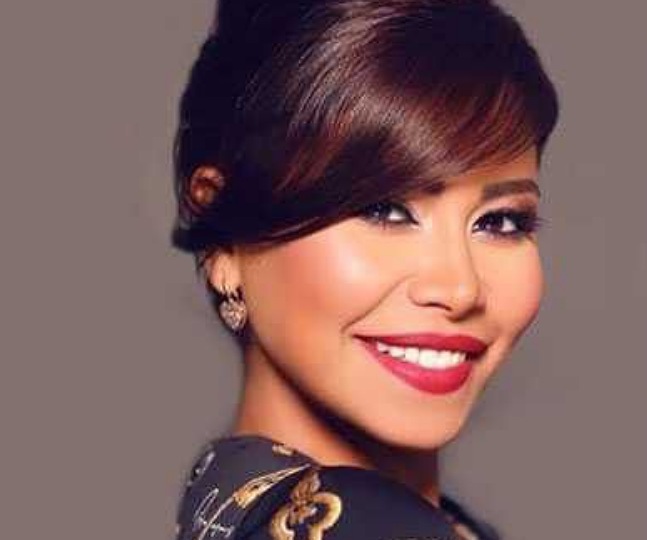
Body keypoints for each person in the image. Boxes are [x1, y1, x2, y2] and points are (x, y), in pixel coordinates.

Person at [169, 0, 559, 538]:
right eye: (385, 211)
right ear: (225, 241)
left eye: (501, 222)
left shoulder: (226, 504)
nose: (460, 287)